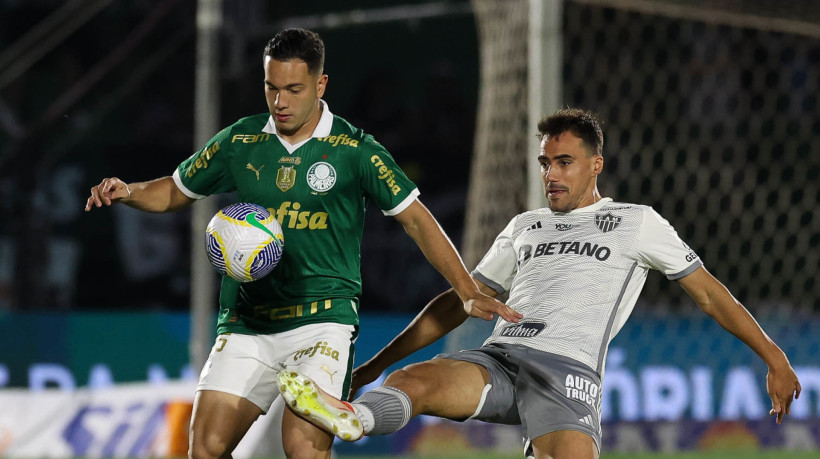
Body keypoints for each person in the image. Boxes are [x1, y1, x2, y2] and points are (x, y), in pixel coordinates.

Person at [84, 28, 520, 459]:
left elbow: (417, 222)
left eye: (294, 89)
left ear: (320, 83)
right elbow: (177, 190)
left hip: (321, 322)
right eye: (272, 88)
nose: (280, 102)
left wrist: (466, 290)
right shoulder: (241, 140)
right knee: (206, 448)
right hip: (247, 321)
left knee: (303, 447)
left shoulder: (355, 150)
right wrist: (130, 191)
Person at [276, 108, 802, 459]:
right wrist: (376, 365)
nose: (551, 173)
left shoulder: (636, 221)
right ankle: (354, 418)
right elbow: (460, 303)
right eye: (546, 162)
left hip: (566, 375)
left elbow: (709, 293)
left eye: (564, 163)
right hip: (500, 358)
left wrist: (773, 356)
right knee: (414, 382)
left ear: (595, 166)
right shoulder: (525, 226)